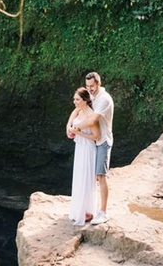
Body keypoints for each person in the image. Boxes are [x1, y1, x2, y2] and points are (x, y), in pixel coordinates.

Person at [69, 72, 114, 225]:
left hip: (103, 141)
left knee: (100, 176)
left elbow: (92, 120)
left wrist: (76, 129)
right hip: (91, 143)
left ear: (99, 84)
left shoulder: (104, 99)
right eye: (87, 86)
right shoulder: (91, 96)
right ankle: (88, 210)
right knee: (90, 176)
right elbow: (77, 109)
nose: (89, 89)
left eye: (92, 86)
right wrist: (68, 126)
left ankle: (103, 213)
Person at [65, 87, 100, 226]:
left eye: (77, 99)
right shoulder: (79, 110)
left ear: (85, 100)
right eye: (74, 99)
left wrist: (79, 133)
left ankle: (87, 211)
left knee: (86, 178)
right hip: (79, 147)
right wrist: (69, 128)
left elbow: (96, 136)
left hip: (88, 149)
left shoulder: (91, 115)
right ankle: (80, 209)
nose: (74, 102)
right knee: (79, 177)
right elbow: (72, 115)